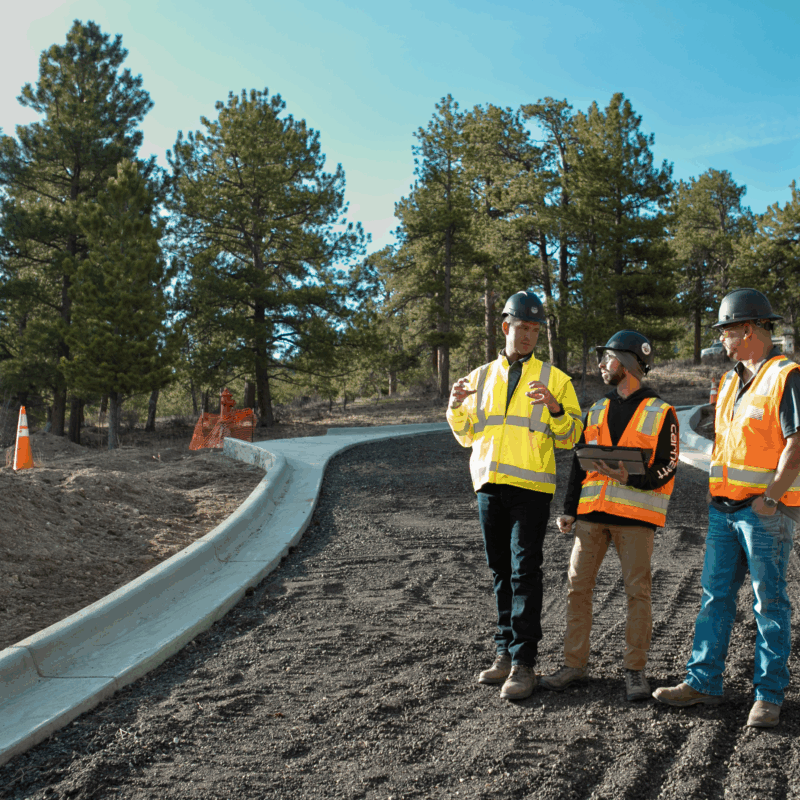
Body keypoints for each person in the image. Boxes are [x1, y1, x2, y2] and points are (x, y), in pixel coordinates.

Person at [653, 288, 800, 728]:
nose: (722, 340)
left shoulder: (787, 376)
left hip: (764, 514)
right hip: (723, 510)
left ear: (749, 329)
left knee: (768, 603)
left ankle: (769, 694)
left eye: (727, 331)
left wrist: (771, 498)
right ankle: (703, 683)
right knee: (714, 598)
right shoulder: (733, 379)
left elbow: (797, 444)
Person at [447, 290, 582, 701]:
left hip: (531, 488)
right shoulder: (479, 377)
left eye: (535, 330)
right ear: (505, 327)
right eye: (522, 327)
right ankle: (503, 653)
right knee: (500, 572)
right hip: (489, 487)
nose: (528, 336)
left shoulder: (555, 379)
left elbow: (573, 436)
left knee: (525, 572)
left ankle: (524, 663)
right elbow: (467, 435)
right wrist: (454, 406)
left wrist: (557, 410)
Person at [539, 331, 679, 702]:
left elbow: (668, 467)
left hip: (635, 519)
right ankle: (574, 665)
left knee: (638, 594)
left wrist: (633, 477)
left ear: (630, 362)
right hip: (590, 517)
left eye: (609, 358)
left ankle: (635, 671)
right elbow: (579, 461)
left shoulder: (661, 412)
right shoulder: (597, 409)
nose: (601, 365)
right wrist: (570, 509)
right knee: (577, 589)